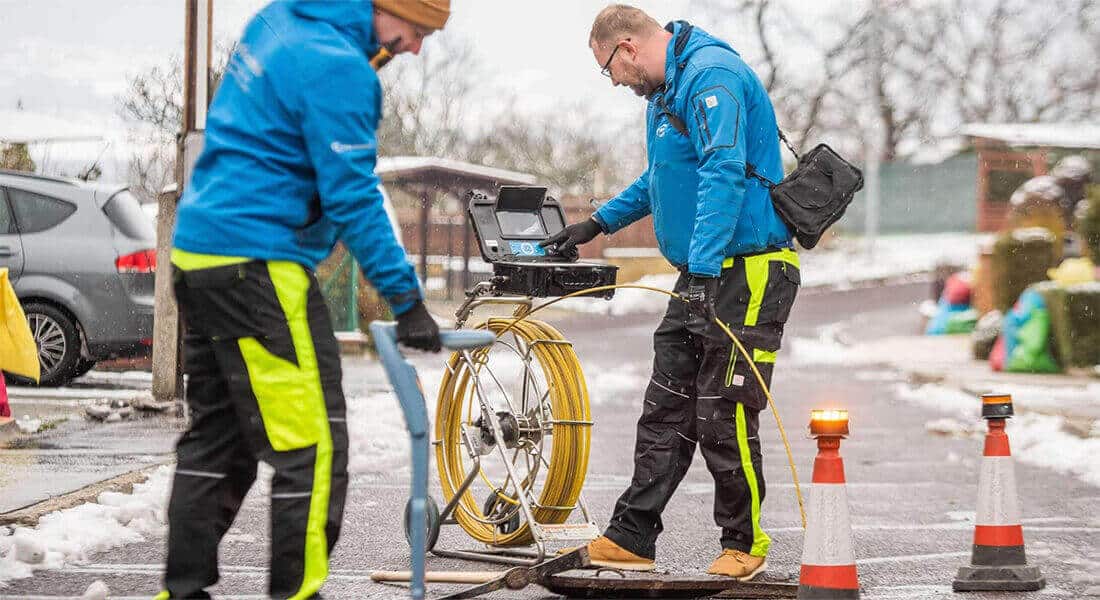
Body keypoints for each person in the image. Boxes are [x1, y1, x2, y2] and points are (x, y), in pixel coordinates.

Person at [160, 1, 449, 598]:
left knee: (218, 438)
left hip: (198, 254)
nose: (416, 48)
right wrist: (405, 299)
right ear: (385, 7)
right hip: (258, 266)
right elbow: (353, 196)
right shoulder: (338, 66)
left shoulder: (278, 22)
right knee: (312, 446)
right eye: (415, 32)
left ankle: (181, 591)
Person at [542, 4, 800, 581]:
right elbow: (662, 178)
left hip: (749, 269)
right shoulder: (666, 94)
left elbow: (724, 169)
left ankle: (745, 542)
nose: (613, 81)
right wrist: (597, 224)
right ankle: (633, 536)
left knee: (722, 409)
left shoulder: (713, 76)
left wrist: (705, 270)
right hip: (704, 273)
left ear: (627, 47)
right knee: (665, 409)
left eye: (608, 68)